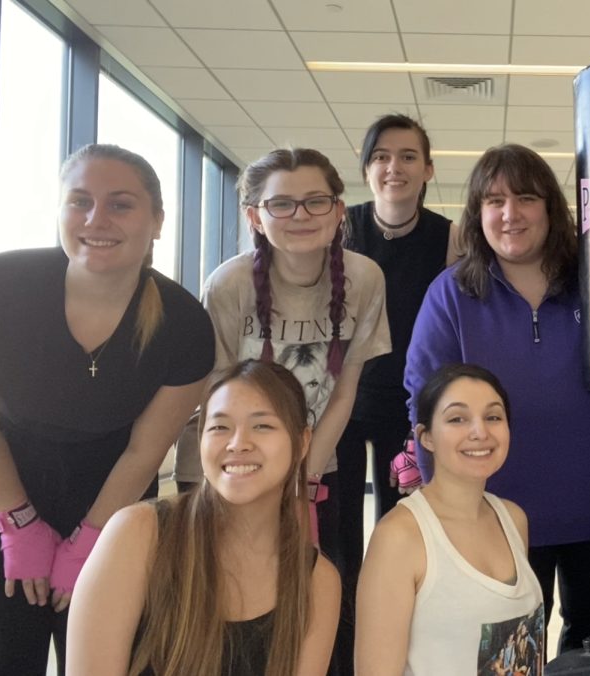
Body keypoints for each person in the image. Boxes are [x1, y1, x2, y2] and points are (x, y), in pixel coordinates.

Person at [0, 143, 214, 674]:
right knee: (4, 654)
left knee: (110, 653)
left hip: (111, 490)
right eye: (80, 201)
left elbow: (143, 451)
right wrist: (18, 524)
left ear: (157, 220)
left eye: (121, 204)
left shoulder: (185, 325)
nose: (96, 219)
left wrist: (90, 537)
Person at [403, 144, 590, 654]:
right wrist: (443, 502)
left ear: (551, 208)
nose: (510, 214)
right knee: (509, 649)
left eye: (526, 198)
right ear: (477, 214)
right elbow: (424, 398)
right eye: (495, 200)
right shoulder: (452, 293)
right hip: (494, 507)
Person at [173, 148, 390, 569]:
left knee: (307, 596)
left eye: (316, 201)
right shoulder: (229, 284)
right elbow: (214, 394)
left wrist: (301, 479)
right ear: (255, 216)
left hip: (311, 467)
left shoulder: (365, 279)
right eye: (281, 204)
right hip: (225, 463)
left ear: (338, 211)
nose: (301, 215)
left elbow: (344, 393)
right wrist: (258, 474)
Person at [67, 359, 340, 675]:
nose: (238, 443)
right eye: (220, 427)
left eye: (262, 425)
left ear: (302, 442)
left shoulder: (318, 582)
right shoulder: (138, 534)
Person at [331, 113, 459, 675]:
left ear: (428, 168)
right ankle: (340, 653)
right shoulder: (341, 229)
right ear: (366, 169)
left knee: (399, 530)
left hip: (409, 411)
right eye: (381, 156)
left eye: (408, 156)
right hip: (340, 402)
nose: (394, 167)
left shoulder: (450, 237)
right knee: (335, 536)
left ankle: (398, 652)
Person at [356, 363, 545, 675]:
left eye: (493, 417)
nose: (479, 432)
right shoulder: (400, 536)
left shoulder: (513, 519)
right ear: (425, 437)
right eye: (457, 419)